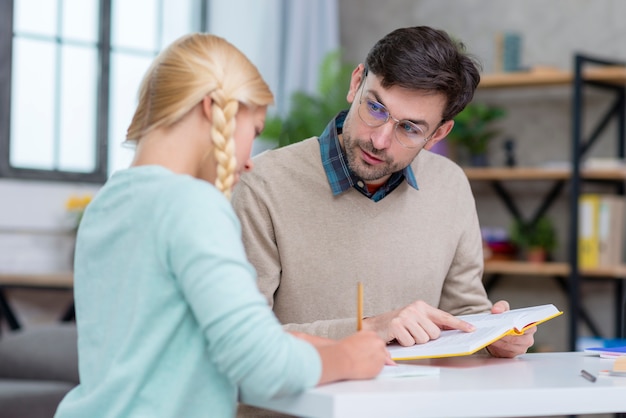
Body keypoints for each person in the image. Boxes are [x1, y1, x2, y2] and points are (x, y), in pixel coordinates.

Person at [54, 33, 390, 418]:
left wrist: (287, 342)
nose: (249, 161)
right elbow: (260, 369)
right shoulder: (193, 204)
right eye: (255, 130)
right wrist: (348, 357)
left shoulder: (108, 203)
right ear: (212, 109)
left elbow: (162, 343)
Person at [232, 26, 536, 358]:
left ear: (438, 134)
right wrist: (371, 329)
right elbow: (241, 338)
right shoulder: (262, 184)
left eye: (409, 128)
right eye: (375, 108)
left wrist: (495, 339)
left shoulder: (450, 184)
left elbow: (463, 314)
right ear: (355, 83)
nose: (379, 140)